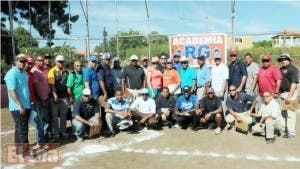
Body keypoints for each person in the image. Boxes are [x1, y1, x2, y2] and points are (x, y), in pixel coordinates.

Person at [4, 54, 31, 156]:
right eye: (21, 61)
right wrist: (20, 105)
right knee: (23, 130)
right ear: (15, 62)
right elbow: (12, 91)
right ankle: (25, 153)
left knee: (19, 128)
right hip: (18, 107)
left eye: (24, 61)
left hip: (26, 105)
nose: (23, 63)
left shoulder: (24, 73)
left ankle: (19, 150)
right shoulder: (11, 74)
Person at [278, 54, 299, 138]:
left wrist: (289, 96)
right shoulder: (281, 69)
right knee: (283, 113)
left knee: (290, 113)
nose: (282, 61)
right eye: (281, 59)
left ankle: (291, 132)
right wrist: (279, 91)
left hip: (291, 93)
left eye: (285, 59)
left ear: (289, 59)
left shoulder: (293, 69)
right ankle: (286, 130)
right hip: (283, 93)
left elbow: (294, 83)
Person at [48, 55, 69, 139]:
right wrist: (54, 94)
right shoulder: (52, 71)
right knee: (54, 116)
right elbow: (52, 84)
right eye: (59, 61)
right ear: (56, 62)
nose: (61, 63)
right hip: (54, 97)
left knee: (64, 115)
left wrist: (68, 96)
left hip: (64, 97)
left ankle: (63, 132)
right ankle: (56, 132)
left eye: (62, 61)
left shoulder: (66, 72)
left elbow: (68, 85)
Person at [26, 55, 45, 145]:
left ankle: (40, 141)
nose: (29, 65)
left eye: (31, 63)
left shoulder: (30, 74)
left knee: (38, 121)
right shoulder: (24, 74)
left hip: (34, 101)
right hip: (27, 103)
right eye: (28, 63)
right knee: (31, 123)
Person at [31, 55, 50, 140]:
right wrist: (41, 99)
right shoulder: (34, 71)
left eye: (42, 60)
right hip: (39, 99)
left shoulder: (42, 70)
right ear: (35, 61)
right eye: (39, 60)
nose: (41, 62)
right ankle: (40, 139)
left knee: (45, 118)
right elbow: (35, 87)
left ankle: (44, 137)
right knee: (40, 120)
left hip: (46, 98)